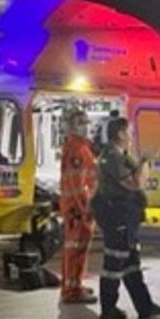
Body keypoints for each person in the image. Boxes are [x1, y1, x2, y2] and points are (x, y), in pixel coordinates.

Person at [92, 117, 160, 319]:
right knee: (114, 262)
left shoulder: (121, 155)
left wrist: (145, 162)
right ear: (121, 133)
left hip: (126, 217)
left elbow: (140, 178)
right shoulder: (112, 157)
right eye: (130, 132)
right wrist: (144, 161)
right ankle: (108, 309)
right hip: (117, 216)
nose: (132, 136)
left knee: (131, 262)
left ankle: (145, 306)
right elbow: (136, 183)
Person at [58, 109, 99, 305]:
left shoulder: (79, 147)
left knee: (74, 249)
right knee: (76, 250)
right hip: (79, 210)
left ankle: (72, 285)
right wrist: (86, 209)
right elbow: (78, 184)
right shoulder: (78, 149)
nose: (86, 125)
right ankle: (72, 291)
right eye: (81, 122)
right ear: (72, 126)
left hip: (75, 208)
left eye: (86, 121)